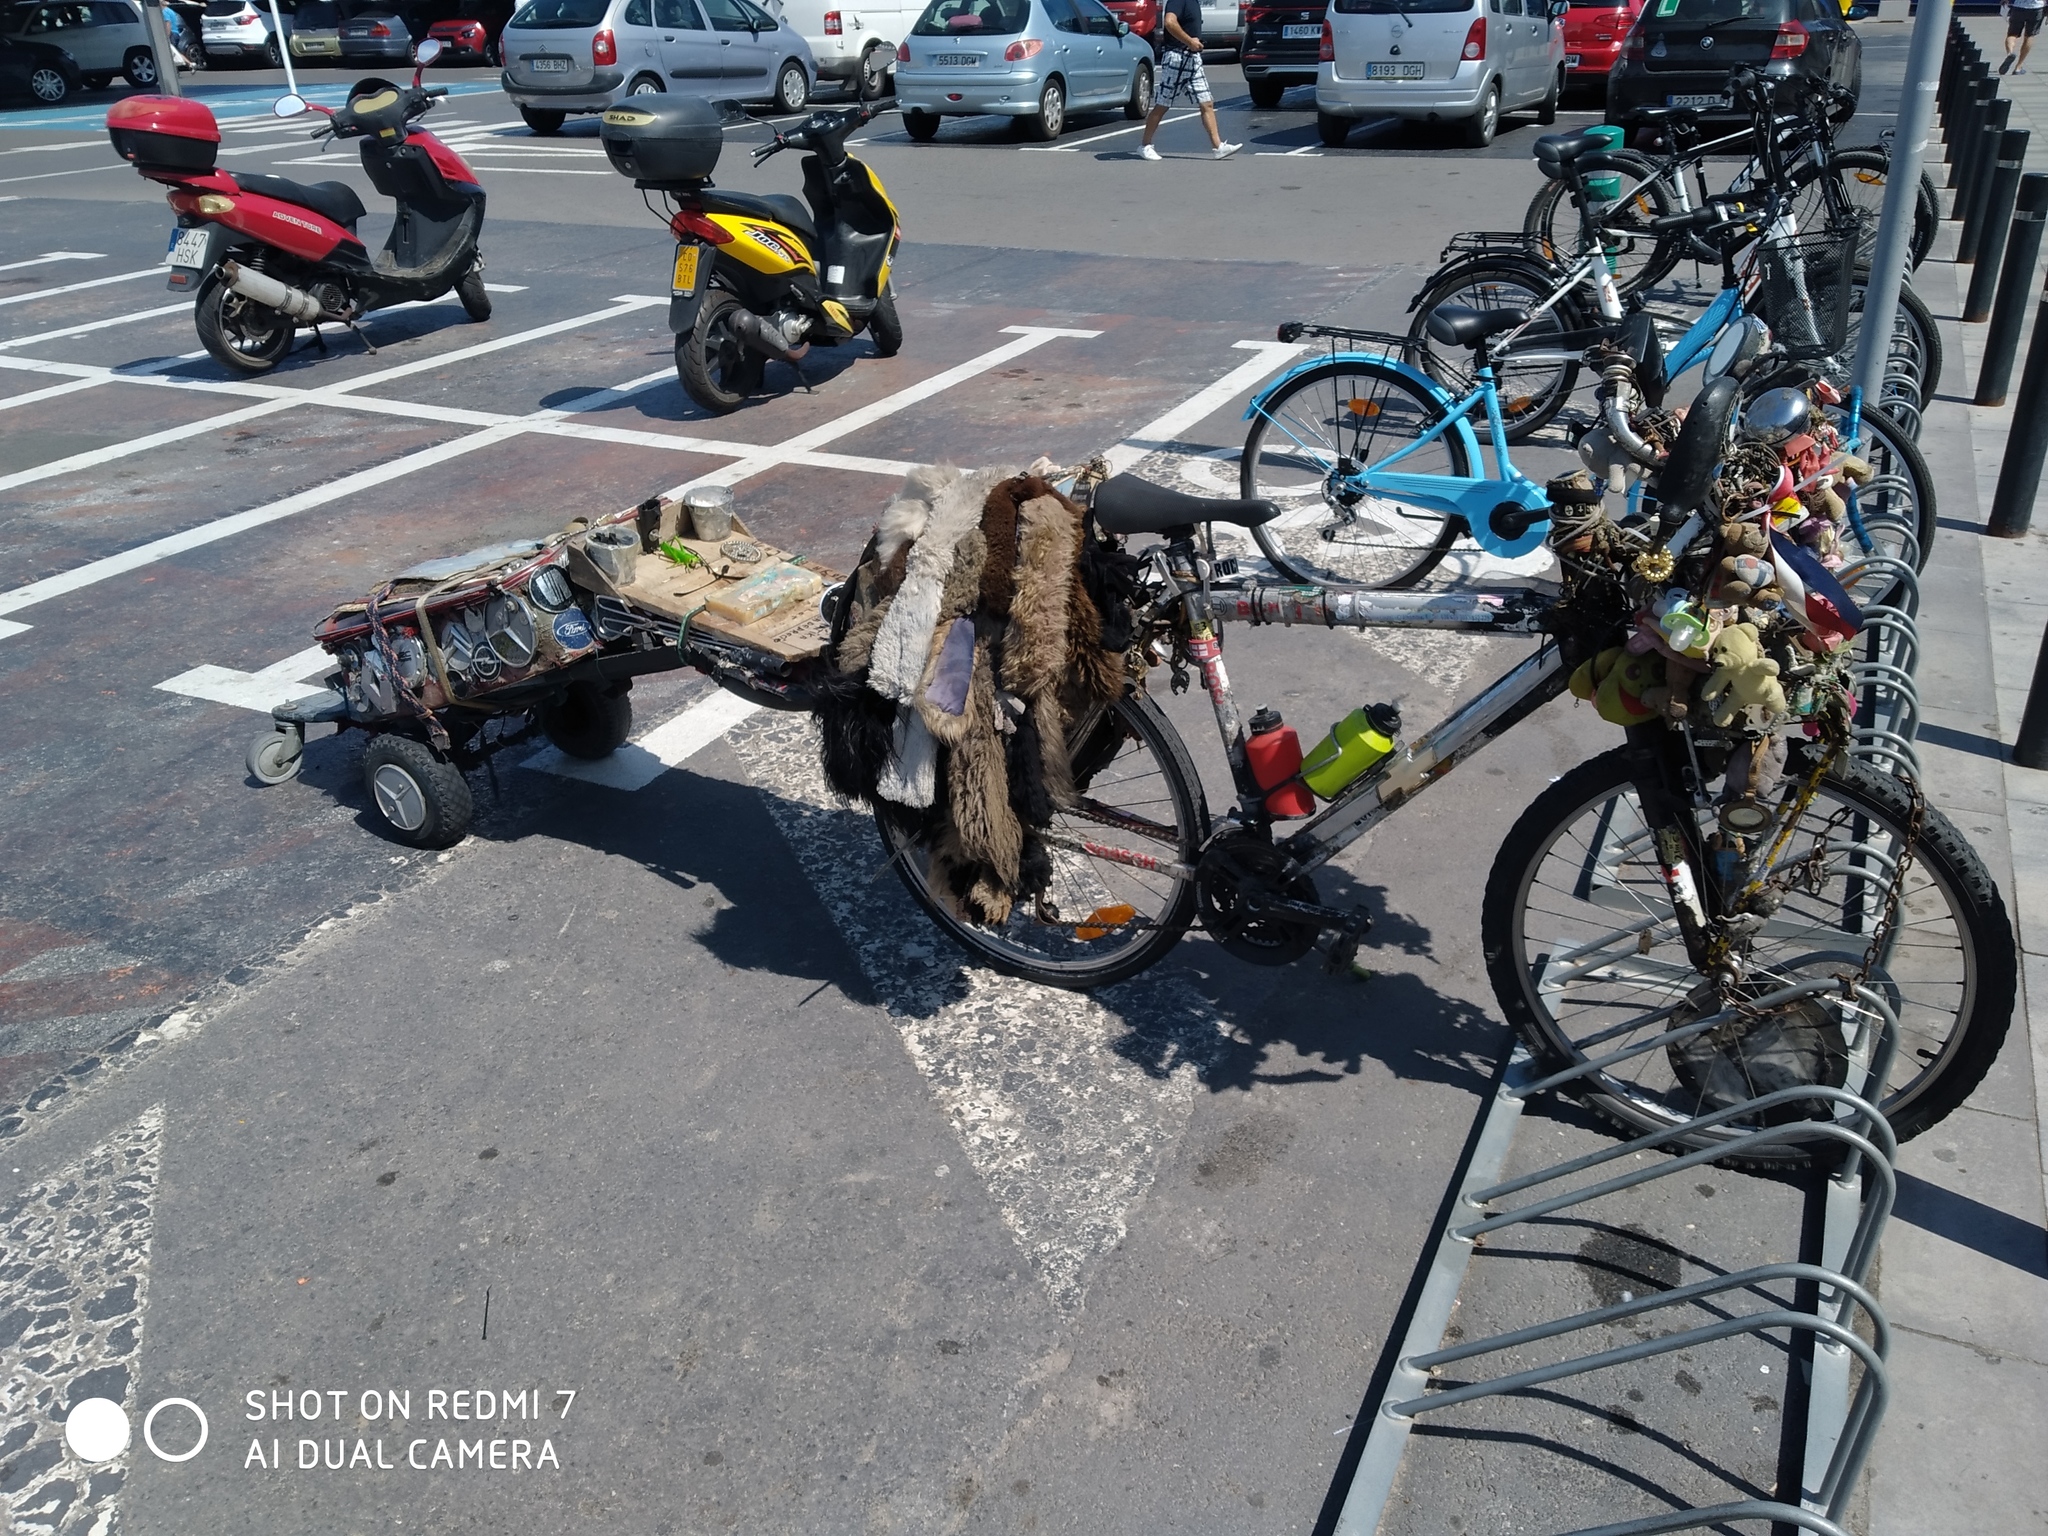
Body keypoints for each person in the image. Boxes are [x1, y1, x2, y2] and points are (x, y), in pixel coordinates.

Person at [1139, 0, 1239, 161]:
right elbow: (1169, 22)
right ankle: (1145, 145)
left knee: (1206, 102)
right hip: (1177, 58)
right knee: (1163, 104)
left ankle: (1218, 147)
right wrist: (1189, 41)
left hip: (1193, 59)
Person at [2002, 0, 2043, 75]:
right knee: (2029, 36)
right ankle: (2018, 67)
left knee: (2012, 34)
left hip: (2019, 7)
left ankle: (2010, 53)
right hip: (2036, 7)